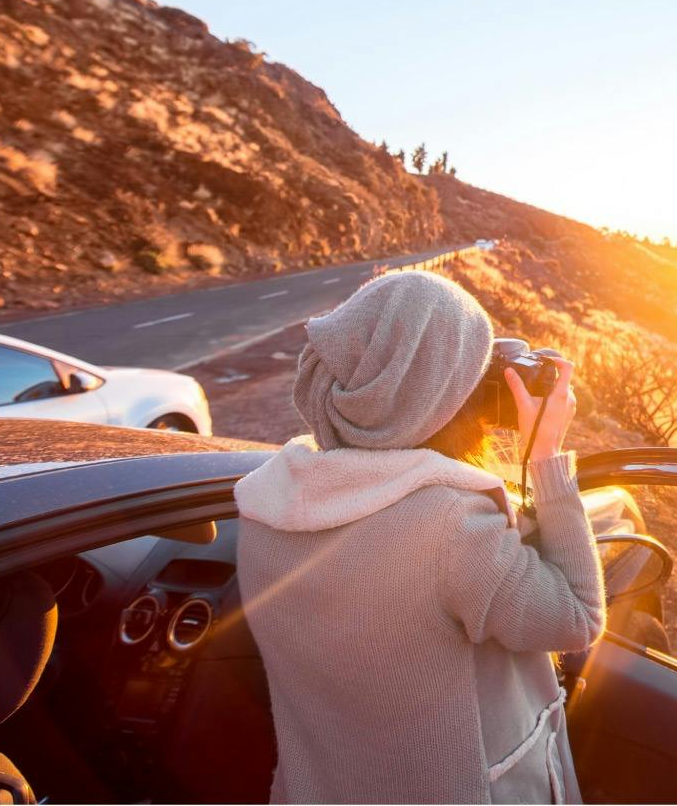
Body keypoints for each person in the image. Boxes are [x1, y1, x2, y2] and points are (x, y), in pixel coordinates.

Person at [233, 271, 604, 804]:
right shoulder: (450, 526)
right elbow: (578, 617)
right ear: (440, 393)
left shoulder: (264, 503)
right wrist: (545, 457)